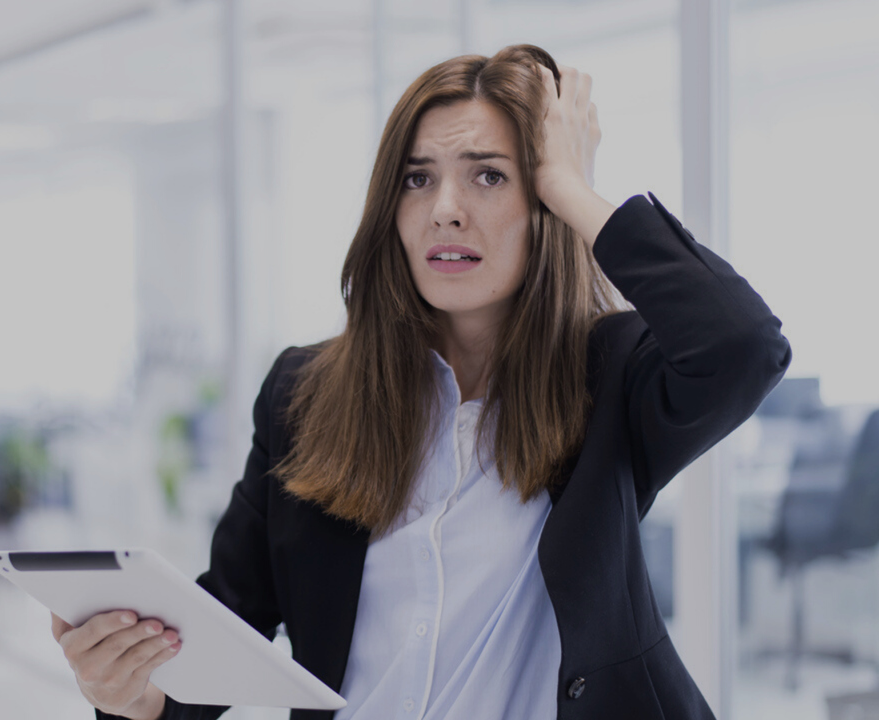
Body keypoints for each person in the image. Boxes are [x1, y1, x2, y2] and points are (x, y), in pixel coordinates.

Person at [51, 44, 791, 720]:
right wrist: (134, 691)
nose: (446, 210)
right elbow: (229, 623)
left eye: (490, 176)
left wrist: (572, 187)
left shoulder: (611, 375)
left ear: (541, 205)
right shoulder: (302, 394)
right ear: (390, 212)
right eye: (418, 178)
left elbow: (744, 344)